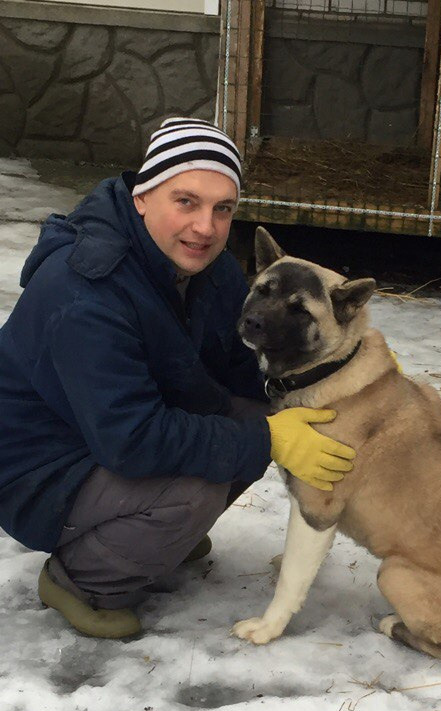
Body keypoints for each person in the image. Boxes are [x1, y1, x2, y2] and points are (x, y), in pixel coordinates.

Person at [0, 117, 355, 640]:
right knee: (197, 487)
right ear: (142, 197)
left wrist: (330, 394)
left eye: (222, 208)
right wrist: (266, 438)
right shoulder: (86, 292)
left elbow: (238, 370)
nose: (206, 227)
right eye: (185, 201)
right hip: (38, 470)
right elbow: (132, 439)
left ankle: (147, 535)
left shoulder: (206, 267)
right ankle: (81, 579)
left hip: (103, 437)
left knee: (263, 422)